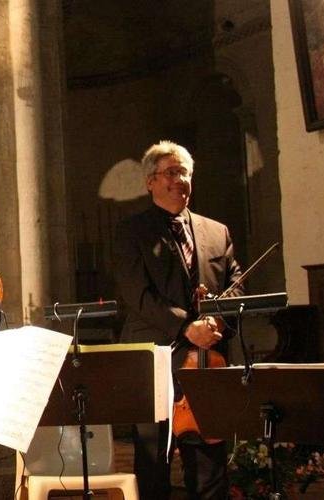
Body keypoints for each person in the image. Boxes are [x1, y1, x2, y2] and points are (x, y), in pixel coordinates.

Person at [113, 140, 243, 499]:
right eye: (172, 172)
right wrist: (188, 327)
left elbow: (236, 287)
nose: (181, 179)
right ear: (150, 182)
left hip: (207, 360)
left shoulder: (218, 232)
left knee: (210, 465)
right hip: (155, 360)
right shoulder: (131, 232)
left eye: (185, 172)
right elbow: (137, 296)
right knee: (154, 464)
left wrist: (215, 324)